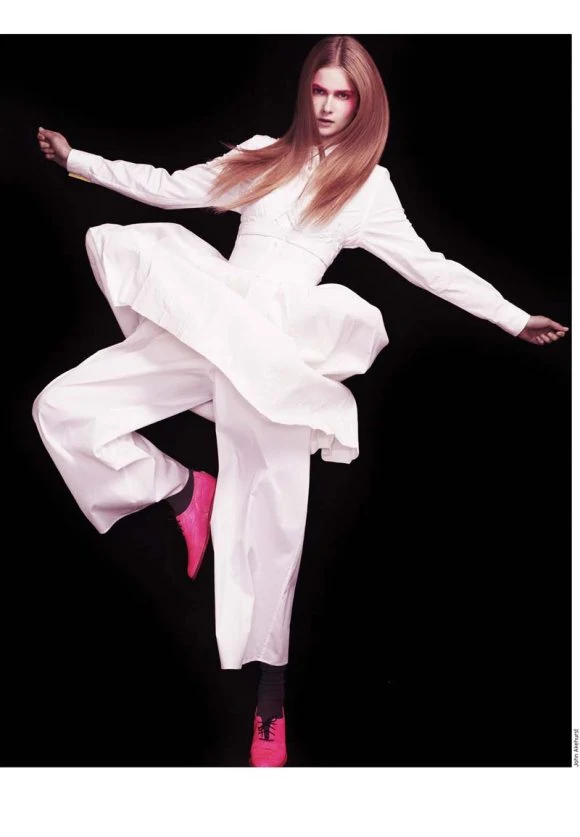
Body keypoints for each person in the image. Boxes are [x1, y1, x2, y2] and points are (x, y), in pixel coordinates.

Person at [32, 35, 569, 768]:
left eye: (343, 95)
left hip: (278, 356)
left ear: (363, 103)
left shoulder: (367, 187)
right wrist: (79, 161)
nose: (327, 106)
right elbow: (168, 186)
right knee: (64, 406)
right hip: (211, 318)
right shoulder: (261, 153)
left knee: (275, 524)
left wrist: (512, 316)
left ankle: (270, 703)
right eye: (320, 90)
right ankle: (183, 489)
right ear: (305, 91)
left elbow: (431, 267)